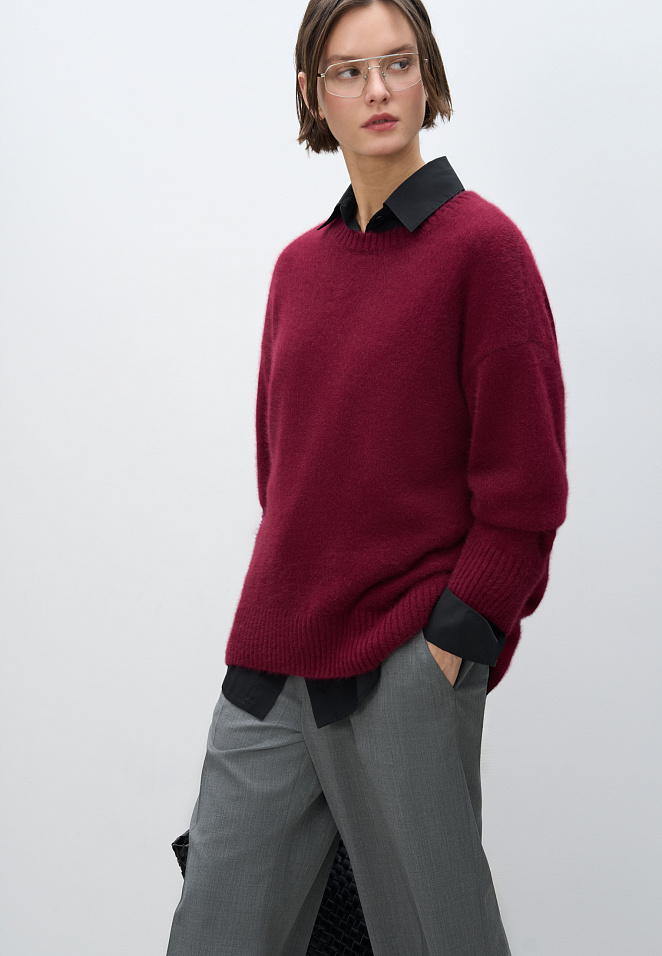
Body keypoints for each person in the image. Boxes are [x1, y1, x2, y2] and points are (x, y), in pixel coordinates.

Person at [165, 0, 568, 953]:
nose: (378, 90)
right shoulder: (297, 270)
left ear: (427, 75)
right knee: (215, 929)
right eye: (350, 72)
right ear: (315, 95)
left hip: (402, 663)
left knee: (438, 937)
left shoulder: (484, 250)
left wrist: (452, 648)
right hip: (272, 660)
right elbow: (284, 474)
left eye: (398, 63)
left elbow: (526, 490)